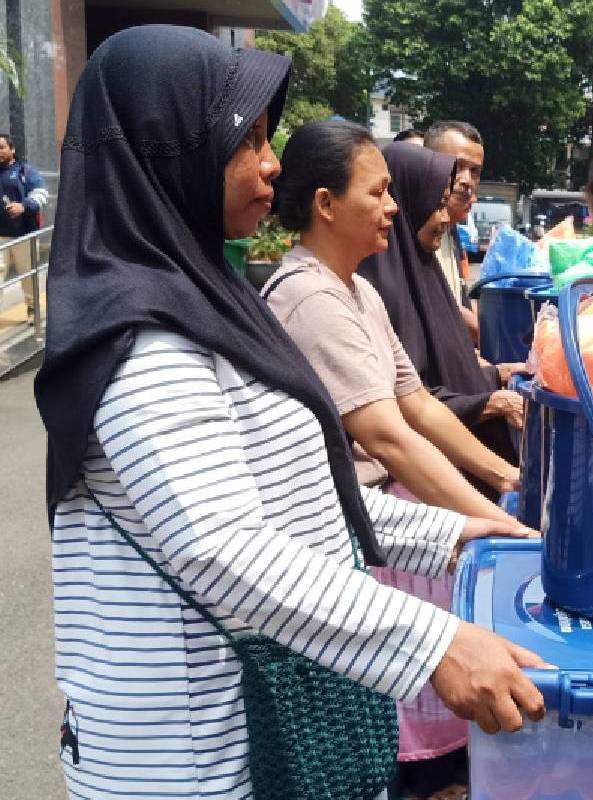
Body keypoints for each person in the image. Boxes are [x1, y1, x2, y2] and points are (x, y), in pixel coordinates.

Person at [34, 26, 545, 799]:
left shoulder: (209, 299)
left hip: (252, 727)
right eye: (249, 140)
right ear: (169, 148)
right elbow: (223, 546)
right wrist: (433, 641)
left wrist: (458, 531)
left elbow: (298, 503)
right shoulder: (142, 337)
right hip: (189, 756)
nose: (273, 162)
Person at [270, 120, 528, 800]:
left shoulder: (358, 290)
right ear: (326, 204)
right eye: (378, 192)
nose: (393, 207)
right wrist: (499, 522)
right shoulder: (309, 298)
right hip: (351, 531)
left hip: (388, 519)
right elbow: (387, 436)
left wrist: (506, 482)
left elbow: (420, 407)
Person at [359, 143, 523, 494]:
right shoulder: (380, 287)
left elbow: (444, 366)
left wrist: (499, 373)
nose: (447, 218)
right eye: (436, 206)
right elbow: (409, 399)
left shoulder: (421, 269)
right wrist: (491, 402)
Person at [425, 120, 483, 339]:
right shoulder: (413, 234)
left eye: (475, 171)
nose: (467, 180)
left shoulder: (452, 231)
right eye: (457, 166)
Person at [0, 132, 49, 320]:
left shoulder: (25, 171)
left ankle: (32, 309)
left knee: (28, 275)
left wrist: (24, 206)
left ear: (12, 149)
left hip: (24, 234)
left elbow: (41, 193)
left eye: (1, 147)